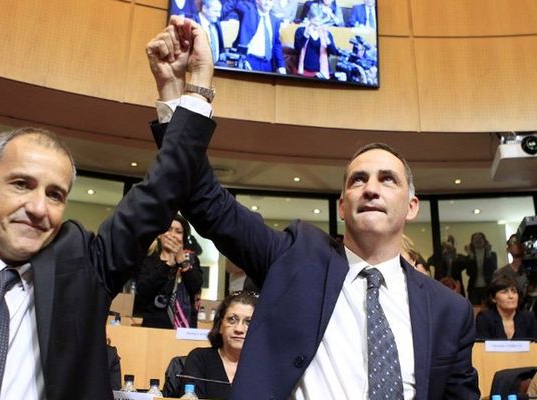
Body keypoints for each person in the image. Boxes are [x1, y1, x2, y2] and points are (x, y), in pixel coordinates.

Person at [146, 18, 479, 399]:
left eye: (388, 179)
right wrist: (184, 92)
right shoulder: (296, 257)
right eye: (358, 180)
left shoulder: (449, 311)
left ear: (412, 206)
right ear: (342, 205)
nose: (371, 188)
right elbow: (206, 201)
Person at [0, 18, 215, 399]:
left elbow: (161, 191)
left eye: (55, 194)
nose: (38, 207)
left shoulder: (82, 269)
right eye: (21, 184)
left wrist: (194, 88)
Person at [182, 291, 258, 399]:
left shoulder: (266, 366)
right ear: (220, 326)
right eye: (232, 319)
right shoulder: (200, 359)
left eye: (249, 322)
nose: (239, 329)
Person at [133, 215, 203, 329]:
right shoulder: (149, 260)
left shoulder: (191, 260)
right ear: (160, 234)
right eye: (168, 229)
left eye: (178, 232)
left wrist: (181, 260)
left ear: (183, 238)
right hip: (152, 328)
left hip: (183, 329)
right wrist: (168, 264)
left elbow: (196, 287)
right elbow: (143, 291)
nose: (172, 235)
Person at [230, 0, 287, 73]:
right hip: (249, 61)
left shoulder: (275, 20)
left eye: (271, 0)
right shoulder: (248, 11)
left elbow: (276, 44)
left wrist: (281, 66)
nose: (268, 3)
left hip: (267, 64)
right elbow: (235, 3)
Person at [475, 275, 537, 340]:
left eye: (514, 292)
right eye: (504, 292)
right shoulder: (484, 318)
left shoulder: (528, 318)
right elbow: (482, 347)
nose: (511, 296)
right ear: (493, 298)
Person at [294, 3, 342, 79]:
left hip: (322, 72)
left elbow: (333, 52)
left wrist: (327, 40)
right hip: (303, 70)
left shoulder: (326, 33)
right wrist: (305, 36)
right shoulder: (300, 31)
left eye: (320, 22)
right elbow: (297, 49)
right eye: (315, 21)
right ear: (309, 19)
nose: (317, 25)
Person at [461, 232, 498, 306]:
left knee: (490, 307)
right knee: (474, 309)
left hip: (488, 286)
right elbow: (469, 272)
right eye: (475, 239)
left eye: (480, 238)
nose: (478, 240)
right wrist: (471, 256)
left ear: (484, 241)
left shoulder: (492, 254)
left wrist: (488, 254)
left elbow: (493, 268)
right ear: (472, 242)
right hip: (473, 288)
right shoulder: (469, 256)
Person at [492, 233, 529, 298]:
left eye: (519, 241)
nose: (517, 244)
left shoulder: (532, 269)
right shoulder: (500, 273)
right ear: (508, 249)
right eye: (513, 242)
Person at [195, 0, 225, 64]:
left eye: (219, 11)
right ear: (204, 8)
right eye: (216, 11)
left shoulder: (217, 24)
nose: (219, 15)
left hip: (217, 69)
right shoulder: (193, 23)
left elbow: (221, 49)